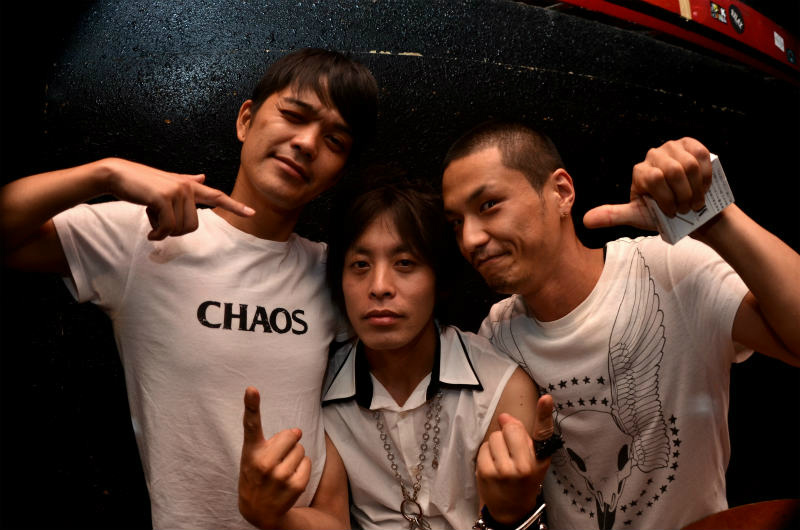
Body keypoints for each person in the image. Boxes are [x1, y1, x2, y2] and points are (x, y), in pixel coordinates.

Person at [0, 48, 378, 529]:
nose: (306, 143)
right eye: (293, 115)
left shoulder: (337, 273)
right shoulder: (144, 237)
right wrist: (106, 173)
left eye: (334, 140)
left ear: (336, 175)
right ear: (246, 120)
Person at [440, 121, 800, 530]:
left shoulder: (668, 270)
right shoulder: (497, 336)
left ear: (561, 192)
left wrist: (716, 219)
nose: (469, 239)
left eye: (488, 204)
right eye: (456, 223)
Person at [238, 179, 558, 529]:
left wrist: (508, 514)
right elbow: (333, 519)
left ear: (439, 280)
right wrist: (271, 515)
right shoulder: (321, 387)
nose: (379, 287)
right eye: (360, 265)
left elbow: (506, 510)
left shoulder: (501, 387)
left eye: (404, 263)